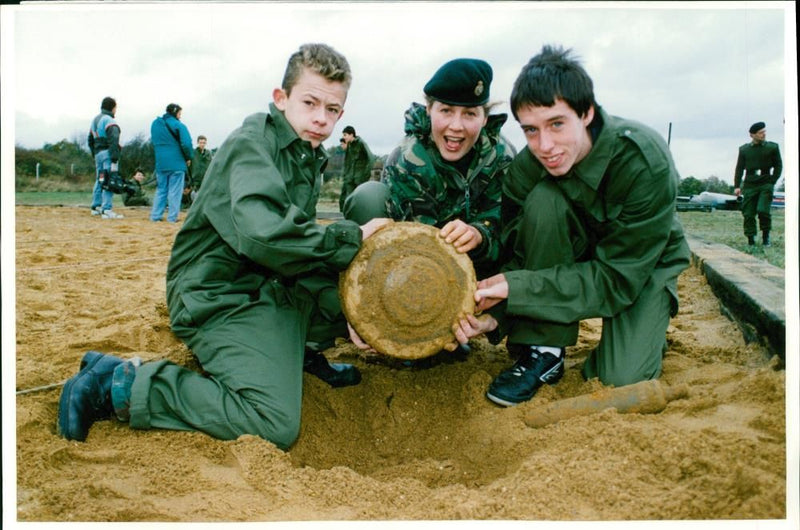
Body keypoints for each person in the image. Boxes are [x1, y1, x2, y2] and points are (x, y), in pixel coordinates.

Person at [57, 43, 390, 449]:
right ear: (280, 98)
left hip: (263, 286)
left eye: (333, 110)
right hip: (216, 294)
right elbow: (261, 234)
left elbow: (295, 251)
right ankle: (118, 383)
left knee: (357, 302)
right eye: (311, 102)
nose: (322, 119)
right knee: (274, 423)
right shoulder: (253, 143)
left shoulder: (306, 153)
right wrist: (351, 238)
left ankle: (293, 355)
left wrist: (353, 303)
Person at [452, 45, 691, 407]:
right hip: (572, 256)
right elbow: (521, 249)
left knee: (620, 379)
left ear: (587, 113)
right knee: (545, 201)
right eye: (530, 130)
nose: (545, 146)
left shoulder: (644, 163)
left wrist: (517, 290)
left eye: (557, 124)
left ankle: (647, 325)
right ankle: (544, 349)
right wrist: (495, 314)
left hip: (637, 264)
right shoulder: (527, 170)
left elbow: (616, 279)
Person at [344, 58, 515, 279]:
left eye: (470, 114)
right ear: (429, 111)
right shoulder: (408, 159)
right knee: (368, 197)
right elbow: (417, 242)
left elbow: (505, 227)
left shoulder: (502, 157)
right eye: (446, 111)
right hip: (417, 264)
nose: (456, 126)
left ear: (484, 119)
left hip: (481, 264)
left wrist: (479, 234)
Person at [733, 121, 783, 247]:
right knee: (748, 213)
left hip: (766, 183)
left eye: (764, 132)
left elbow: (778, 165)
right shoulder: (744, 150)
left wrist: (772, 181)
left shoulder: (772, 147)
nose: (763, 134)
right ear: (752, 135)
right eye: (760, 133)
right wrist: (737, 186)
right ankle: (751, 239)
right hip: (750, 184)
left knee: (762, 210)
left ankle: (766, 238)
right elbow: (739, 168)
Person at [150, 103, 193, 223]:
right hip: (177, 163)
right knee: (175, 191)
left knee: (161, 189)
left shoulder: (155, 124)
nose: (180, 116)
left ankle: (155, 216)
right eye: (179, 113)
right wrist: (189, 157)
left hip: (160, 163)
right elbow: (187, 144)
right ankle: (172, 218)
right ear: (176, 113)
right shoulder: (179, 125)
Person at [88, 96, 124, 219]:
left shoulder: (95, 120)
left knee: (100, 179)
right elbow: (114, 139)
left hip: (98, 154)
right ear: (113, 107)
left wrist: (94, 153)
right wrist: (114, 158)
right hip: (107, 153)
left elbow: (90, 140)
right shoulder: (109, 120)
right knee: (110, 179)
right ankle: (106, 209)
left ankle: (96, 207)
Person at [338, 125, 373, 211]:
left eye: (345, 135)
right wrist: (346, 175)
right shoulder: (349, 145)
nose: (344, 137)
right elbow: (347, 161)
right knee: (349, 199)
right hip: (350, 178)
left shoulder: (361, 143)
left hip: (360, 178)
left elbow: (371, 159)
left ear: (351, 135)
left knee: (360, 199)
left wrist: (365, 175)